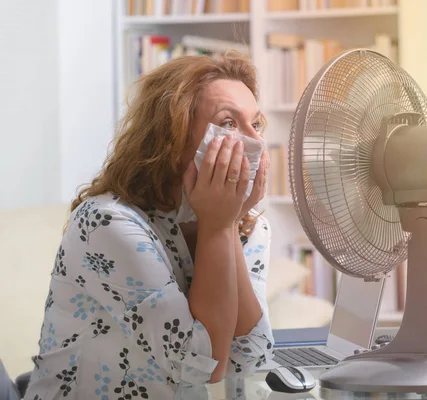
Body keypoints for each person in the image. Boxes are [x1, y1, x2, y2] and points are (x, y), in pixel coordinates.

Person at [25, 53, 274, 399]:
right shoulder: (107, 223)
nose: (255, 141)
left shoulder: (250, 227)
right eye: (229, 123)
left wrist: (226, 224)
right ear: (172, 141)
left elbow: (252, 354)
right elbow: (200, 368)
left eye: (256, 124)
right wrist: (218, 227)